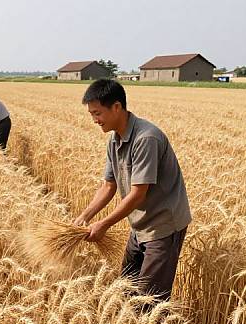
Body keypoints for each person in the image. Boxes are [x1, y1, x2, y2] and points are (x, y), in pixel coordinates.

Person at [75, 79, 191, 302]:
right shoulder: (114, 140)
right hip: (139, 224)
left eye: (97, 113)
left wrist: (103, 224)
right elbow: (108, 185)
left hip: (162, 226)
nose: (94, 120)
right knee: (127, 288)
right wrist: (84, 217)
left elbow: (138, 193)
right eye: (91, 114)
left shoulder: (146, 138)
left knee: (149, 299)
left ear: (117, 107)